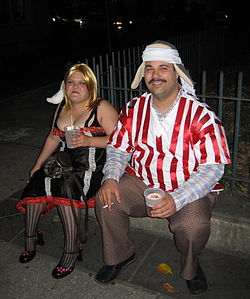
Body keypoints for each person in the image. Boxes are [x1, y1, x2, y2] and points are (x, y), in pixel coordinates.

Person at [94, 41, 231, 295]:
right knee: (105, 200)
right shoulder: (134, 109)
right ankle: (120, 255)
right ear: (142, 74)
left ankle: (191, 267)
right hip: (142, 182)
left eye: (163, 68)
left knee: (192, 227)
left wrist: (177, 199)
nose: (155, 75)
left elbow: (213, 169)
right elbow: (118, 148)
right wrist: (111, 177)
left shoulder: (201, 115)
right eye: (149, 68)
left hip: (187, 187)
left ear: (177, 73)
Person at [16, 63, 118, 279]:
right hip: (64, 163)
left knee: (66, 189)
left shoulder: (101, 107)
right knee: (37, 181)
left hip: (92, 166)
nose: (75, 87)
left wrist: (88, 139)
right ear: (64, 86)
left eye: (82, 83)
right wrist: (38, 164)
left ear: (91, 87)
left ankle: (72, 249)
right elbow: (54, 137)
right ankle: (31, 237)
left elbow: (121, 142)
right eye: (71, 82)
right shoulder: (62, 107)